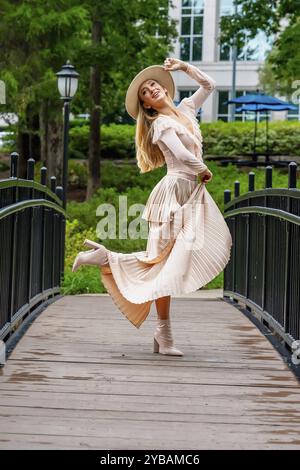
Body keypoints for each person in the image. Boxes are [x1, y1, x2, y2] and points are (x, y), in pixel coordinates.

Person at [72, 57, 233, 356]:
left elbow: (209, 84)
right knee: (160, 262)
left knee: (171, 264)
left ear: (164, 88)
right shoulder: (160, 125)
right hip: (173, 192)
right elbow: (182, 155)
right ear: (146, 105)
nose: (151, 90)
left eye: (153, 85)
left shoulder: (186, 109)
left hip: (192, 193)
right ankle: (163, 332)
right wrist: (202, 168)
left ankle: (106, 259)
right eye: (145, 92)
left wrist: (183, 66)